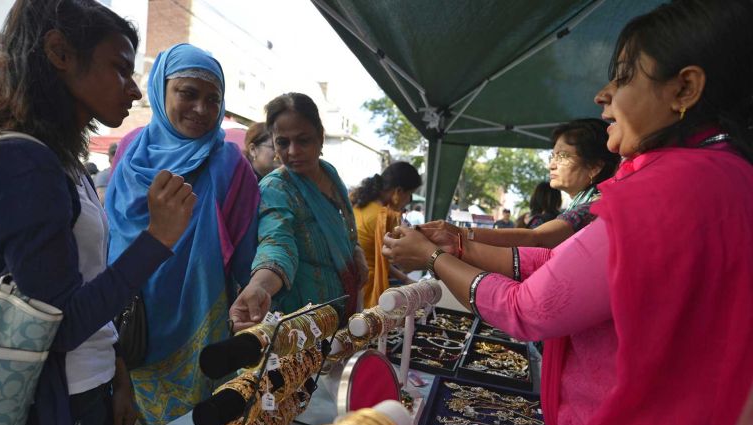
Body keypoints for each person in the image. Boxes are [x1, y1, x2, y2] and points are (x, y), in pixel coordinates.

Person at [383, 0, 753, 425]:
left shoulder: (673, 190)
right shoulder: (721, 177)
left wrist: (433, 259)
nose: (603, 95)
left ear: (685, 89)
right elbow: (571, 266)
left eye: (624, 75)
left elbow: (529, 309)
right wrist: (460, 245)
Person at [0, 1, 196, 425]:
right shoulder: (21, 160)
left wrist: (118, 376)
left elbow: (86, 281)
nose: (135, 90)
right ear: (60, 53)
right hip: (59, 401)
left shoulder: (62, 160)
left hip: (93, 385)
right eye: (120, 68)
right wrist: (157, 240)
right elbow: (58, 326)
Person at [105, 43, 259, 425]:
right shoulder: (131, 146)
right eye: (188, 94)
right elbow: (111, 232)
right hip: (124, 317)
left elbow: (246, 256)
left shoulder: (229, 163)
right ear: (161, 89)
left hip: (197, 322)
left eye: (213, 99)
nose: (202, 110)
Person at [229, 92, 368, 331]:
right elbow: (277, 242)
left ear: (320, 138)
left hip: (342, 313)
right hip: (302, 324)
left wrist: (355, 251)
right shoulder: (276, 188)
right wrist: (260, 286)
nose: (293, 151)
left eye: (303, 140)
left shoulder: (330, 174)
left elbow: (343, 229)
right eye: (283, 142)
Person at [426, 119, 619, 249]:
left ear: (594, 167)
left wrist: (457, 233)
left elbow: (536, 238)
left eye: (562, 156)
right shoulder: (584, 204)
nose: (551, 164)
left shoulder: (595, 207)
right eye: (552, 156)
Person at [351, 162, 421, 308]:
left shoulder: (358, 203)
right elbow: (396, 260)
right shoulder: (383, 216)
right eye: (409, 194)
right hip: (369, 286)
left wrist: (405, 279)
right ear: (399, 191)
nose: (408, 200)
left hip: (351, 282)